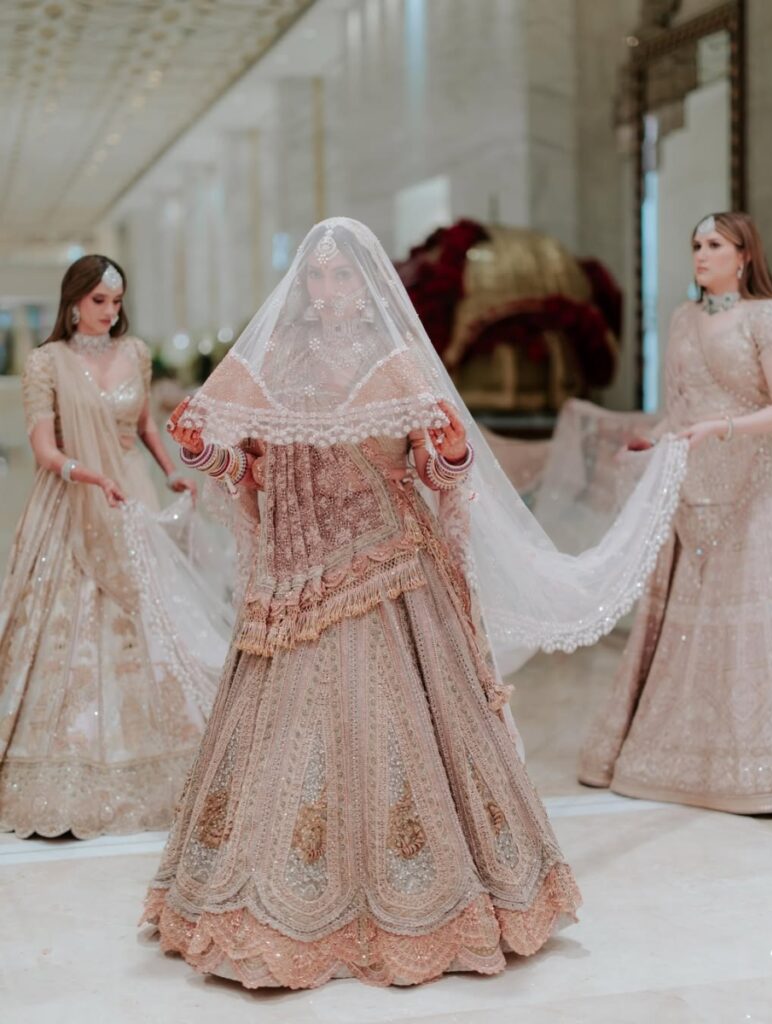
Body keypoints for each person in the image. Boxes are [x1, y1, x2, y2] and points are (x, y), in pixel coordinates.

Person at [141, 218, 687, 990]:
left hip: (391, 574)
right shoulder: (275, 365)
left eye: (341, 277)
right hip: (297, 584)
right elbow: (248, 471)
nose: (327, 291)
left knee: (399, 734)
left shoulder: (396, 365)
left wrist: (450, 450)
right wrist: (203, 451)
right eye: (316, 277)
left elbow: (436, 475)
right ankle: (276, 904)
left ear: (367, 288)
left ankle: (423, 903)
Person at [579, 211, 772, 814]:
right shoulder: (684, 319)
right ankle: (699, 764)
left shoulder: (768, 316)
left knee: (767, 622)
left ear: (744, 255)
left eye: (715, 244)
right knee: (699, 629)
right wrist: (653, 439)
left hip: (763, 487)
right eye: (696, 244)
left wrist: (720, 428)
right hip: (698, 493)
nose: (702, 254)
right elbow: (683, 410)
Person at [0, 255, 229, 839]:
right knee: (71, 617)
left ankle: (167, 752)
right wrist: (88, 475)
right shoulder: (46, 362)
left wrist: (170, 471)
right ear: (74, 301)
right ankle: (66, 761)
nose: (109, 311)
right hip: (72, 499)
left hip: (132, 495)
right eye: (98, 300)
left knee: (151, 613)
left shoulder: (137, 353)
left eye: (117, 301)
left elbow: (146, 424)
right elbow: (44, 449)